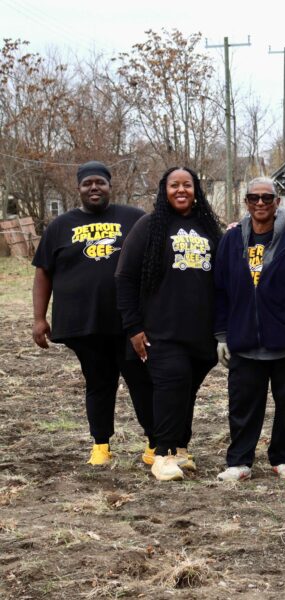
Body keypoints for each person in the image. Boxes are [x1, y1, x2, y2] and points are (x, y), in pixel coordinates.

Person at [32, 161, 153, 466]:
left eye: (100, 182)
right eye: (87, 183)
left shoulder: (134, 218)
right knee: (98, 383)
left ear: (110, 186)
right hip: (84, 323)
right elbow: (43, 272)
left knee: (141, 381)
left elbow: (157, 256)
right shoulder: (60, 226)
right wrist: (39, 318)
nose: (94, 188)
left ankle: (155, 444)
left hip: (129, 323)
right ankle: (101, 446)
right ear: (79, 188)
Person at [214, 177, 285, 482]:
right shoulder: (232, 240)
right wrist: (221, 335)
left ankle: (282, 457)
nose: (260, 203)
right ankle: (240, 462)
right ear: (246, 202)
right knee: (242, 406)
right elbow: (220, 292)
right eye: (254, 198)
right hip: (244, 342)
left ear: (278, 202)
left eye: (267, 198)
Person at [115, 166, 223, 481]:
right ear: (164, 190)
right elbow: (124, 277)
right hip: (160, 329)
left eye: (187, 185)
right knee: (172, 384)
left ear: (196, 190)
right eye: (174, 185)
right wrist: (133, 327)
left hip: (201, 330)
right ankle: (161, 454)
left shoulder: (209, 227)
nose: (181, 190)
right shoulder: (149, 226)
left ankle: (180, 448)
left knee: (187, 389)